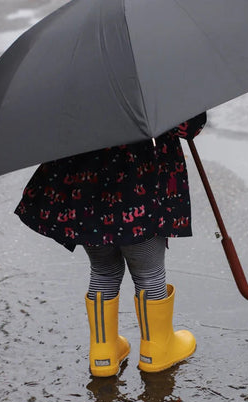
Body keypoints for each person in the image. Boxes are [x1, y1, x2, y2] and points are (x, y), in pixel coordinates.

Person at [15, 112, 207, 377]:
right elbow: (189, 126)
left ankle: (103, 353)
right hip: (141, 184)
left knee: (104, 270)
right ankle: (157, 349)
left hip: (87, 191)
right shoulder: (151, 78)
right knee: (149, 273)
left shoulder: (76, 85)